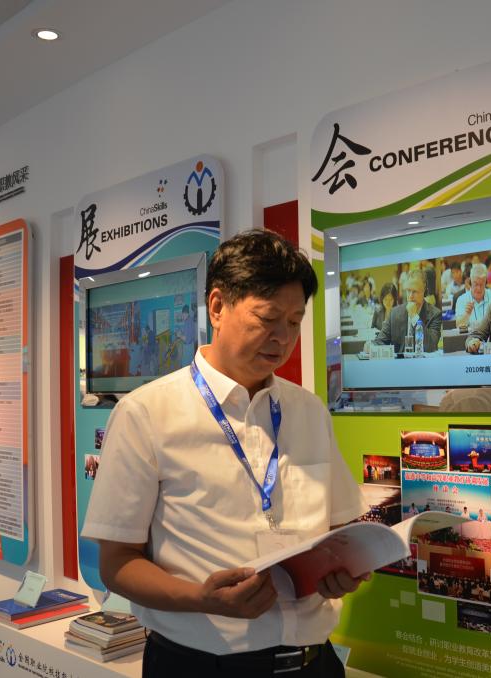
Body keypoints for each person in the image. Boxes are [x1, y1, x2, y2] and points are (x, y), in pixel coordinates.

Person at [82, 230, 368, 678]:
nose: (282, 338)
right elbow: (117, 564)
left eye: (294, 322)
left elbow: (338, 529)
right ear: (217, 307)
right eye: (267, 318)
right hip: (199, 666)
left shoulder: (308, 410)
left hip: (315, 663)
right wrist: (202, 598)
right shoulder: (147, 413)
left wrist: (343, 568)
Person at [374, 269, 441, 353]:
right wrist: (371, 346)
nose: (410, 296)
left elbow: (431, 346)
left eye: (415, 291)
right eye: (408, 290)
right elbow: (379, 342)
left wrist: (414, 317)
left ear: (424, 290)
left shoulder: (435, 314)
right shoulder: (394, 313)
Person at [454, 263, 491, 332]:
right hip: (469, 337)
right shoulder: (461, 299)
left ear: (485, 282)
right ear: (471, 282)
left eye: (481, 284)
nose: (479, 288)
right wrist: (466, 315)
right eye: (476, 284)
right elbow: (458, 325)